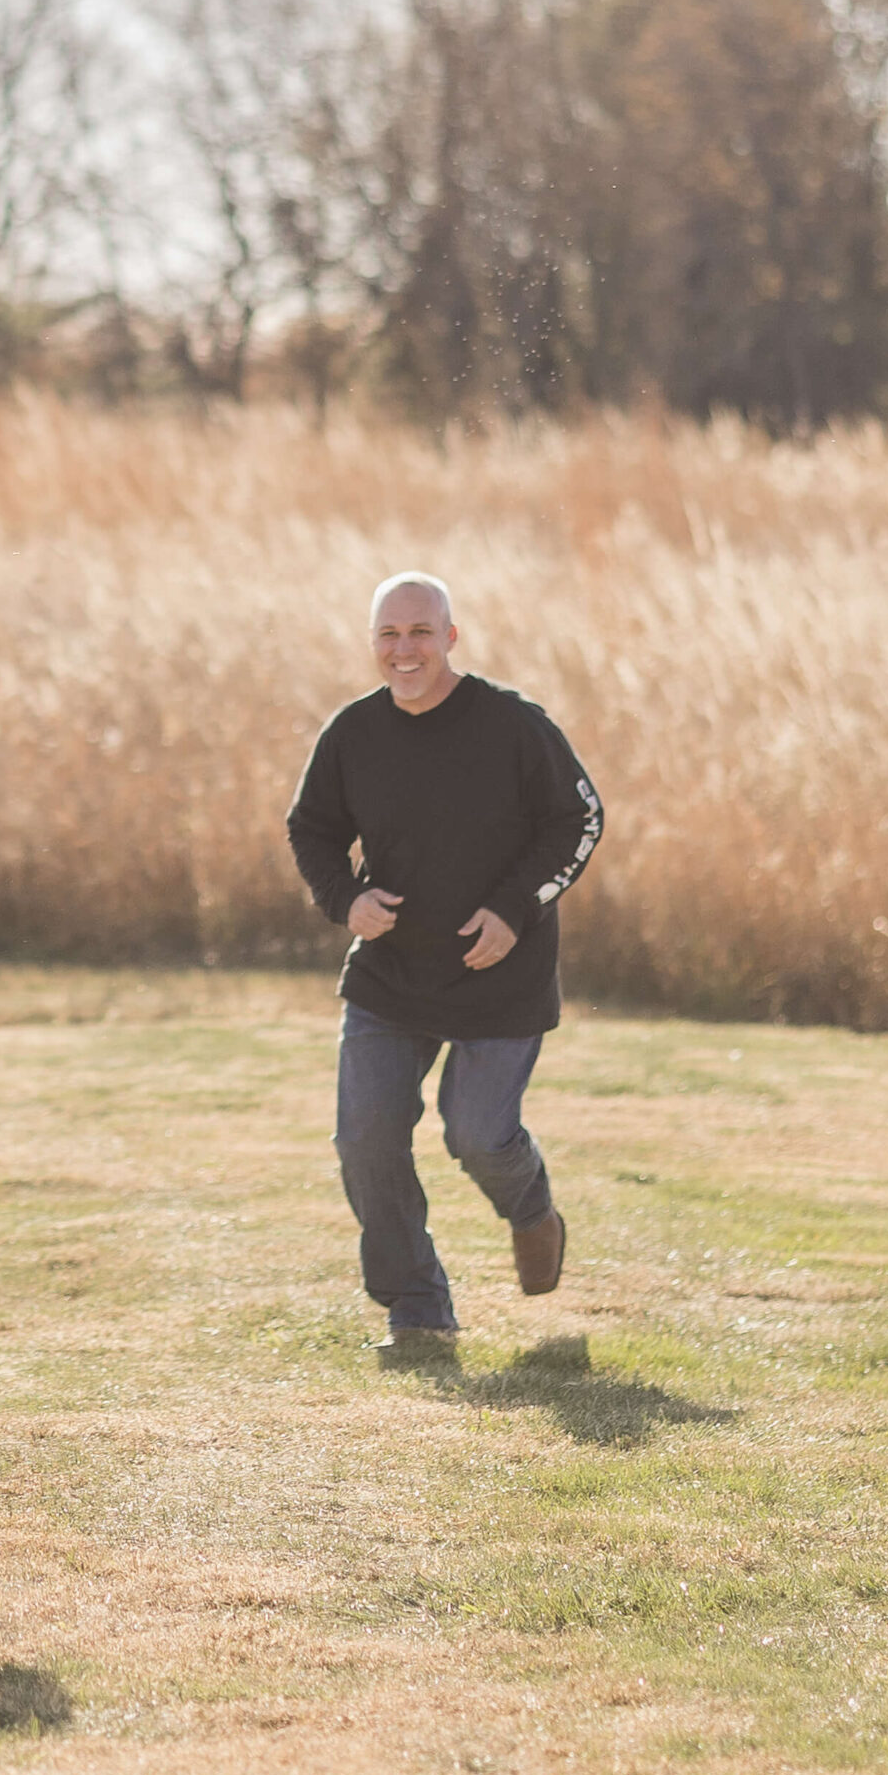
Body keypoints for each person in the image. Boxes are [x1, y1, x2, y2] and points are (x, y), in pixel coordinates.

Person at [286, 572, 604, 1352]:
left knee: (479, 1136)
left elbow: (580, 820)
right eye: (389, 635)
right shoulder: (353, 734)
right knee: (365, 1136)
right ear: (373, 645)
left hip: (502, 972)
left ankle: (532, 1211)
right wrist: (344, 899)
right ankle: (419, 1306)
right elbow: (312, 829)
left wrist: (515, 909)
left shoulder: (513, 725)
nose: (405, 650)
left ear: (451, 638)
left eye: (421, 632)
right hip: (391, 972)